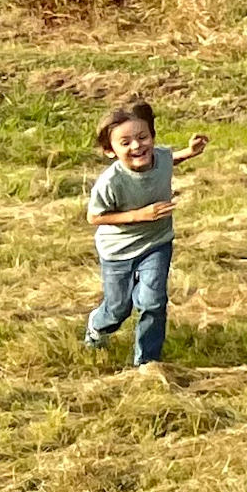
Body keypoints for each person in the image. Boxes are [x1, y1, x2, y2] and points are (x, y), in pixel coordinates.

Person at [82, 97, 207, 369]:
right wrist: (140, 215)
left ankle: (148, 364)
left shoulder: (160, 156)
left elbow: (168, 159)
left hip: (157, 243)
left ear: (152, 136)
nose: (137, 146)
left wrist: (190, 151)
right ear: (110, 151)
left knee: (153, 302)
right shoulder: (111, 182)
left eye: (142, 137)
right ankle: (97, 326)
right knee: (117, 310)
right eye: (125, 142)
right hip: (117, 252)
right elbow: (94, 217)